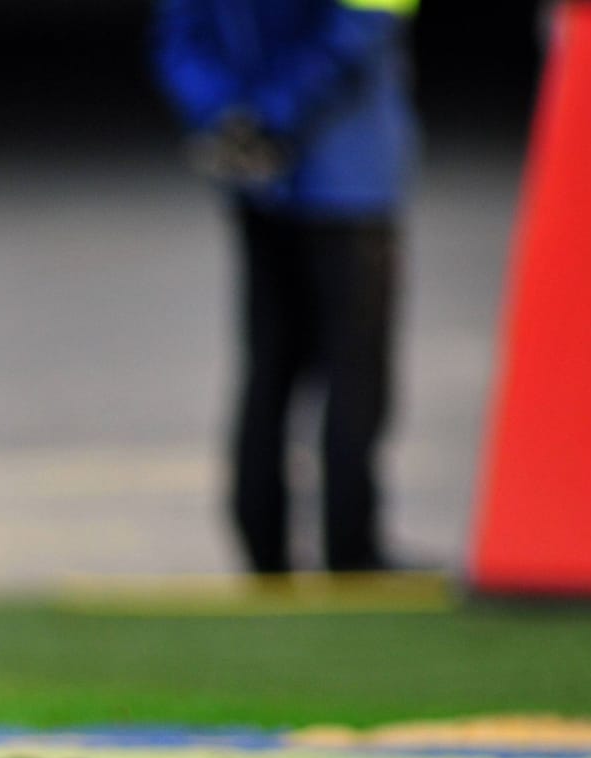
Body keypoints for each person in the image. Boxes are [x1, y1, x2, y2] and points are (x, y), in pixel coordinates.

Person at [156, 0, 420, 574]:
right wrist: (277, 114)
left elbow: (181, 40)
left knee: (270, 368)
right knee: (356, 374)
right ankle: (353, 550)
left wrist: (228, 118)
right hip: (350, 172)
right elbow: (361, 28)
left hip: (258, 179)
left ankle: (265, 553)